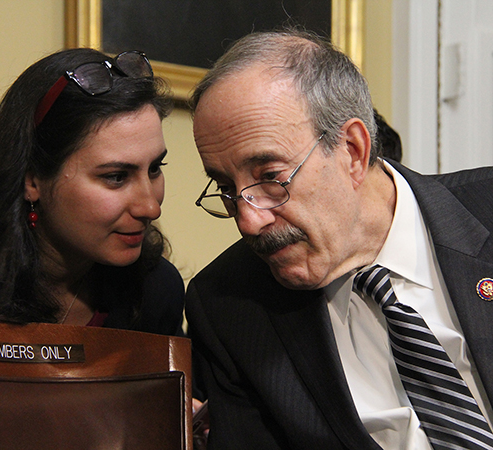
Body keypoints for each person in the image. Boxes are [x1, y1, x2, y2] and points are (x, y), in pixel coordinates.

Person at [186, 27, 493, 450]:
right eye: (225, 186)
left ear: (352, 150)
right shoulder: (230, 307)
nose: (248, 220)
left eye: (271, 178)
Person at [0, 47, 185, 343]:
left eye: (154, 169)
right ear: (31, 179)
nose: (150, 207)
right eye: (115, 177)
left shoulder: (155, 292)